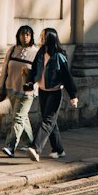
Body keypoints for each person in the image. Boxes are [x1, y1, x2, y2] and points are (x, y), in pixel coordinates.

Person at [25, 27, 79, 161]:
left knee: (47, 121)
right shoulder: (41, 52)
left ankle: (35, 148)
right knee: (50, 121)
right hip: (43, 91)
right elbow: (34, 70)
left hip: (55, 93)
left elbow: (67, 76)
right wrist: (30, 83)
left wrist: (73, 95)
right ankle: (58, 149)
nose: (41, 38)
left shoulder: (59, 56)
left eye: (43, 36)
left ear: (50, 38)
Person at [0, 24, 38, 156]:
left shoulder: (36, 53)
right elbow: (5, 70)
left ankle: (10, 147)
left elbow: (39, 74)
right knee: (22, 117)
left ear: (31, 37)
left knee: (18, 118)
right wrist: (0, 86)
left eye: (27, 34)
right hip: (11, 89)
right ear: (18, 36)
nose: (24, 37)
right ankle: (31, 144)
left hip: (27, 92)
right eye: (22, 34)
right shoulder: (12, 50)